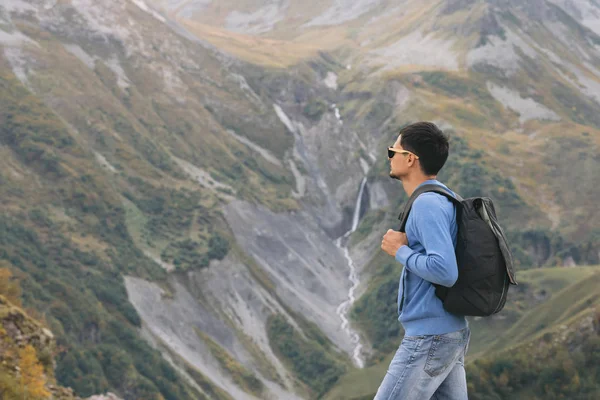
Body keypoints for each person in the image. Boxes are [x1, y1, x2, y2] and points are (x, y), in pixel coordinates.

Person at [376, 122, 470, 400]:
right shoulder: (444, 197)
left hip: (430, 337)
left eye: (393, 150)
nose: (390, 156)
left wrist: (399, 251)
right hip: (448, 330)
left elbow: (445, 270)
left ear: (410, 158)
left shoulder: (427, 204)